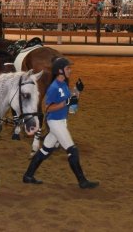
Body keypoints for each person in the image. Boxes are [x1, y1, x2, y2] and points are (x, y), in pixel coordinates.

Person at [22, 57, 99, 189]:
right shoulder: (54, 87)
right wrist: (65, 103)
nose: (70, 70)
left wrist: (77, 90)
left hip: (61, 122)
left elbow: (71, 100)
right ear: (60, 70)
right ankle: (82, 181)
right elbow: (47, 107)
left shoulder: (63, 84)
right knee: (72, 150)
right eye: (68, 68)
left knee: (45, 150)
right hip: (55, 122)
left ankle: (28, 176)